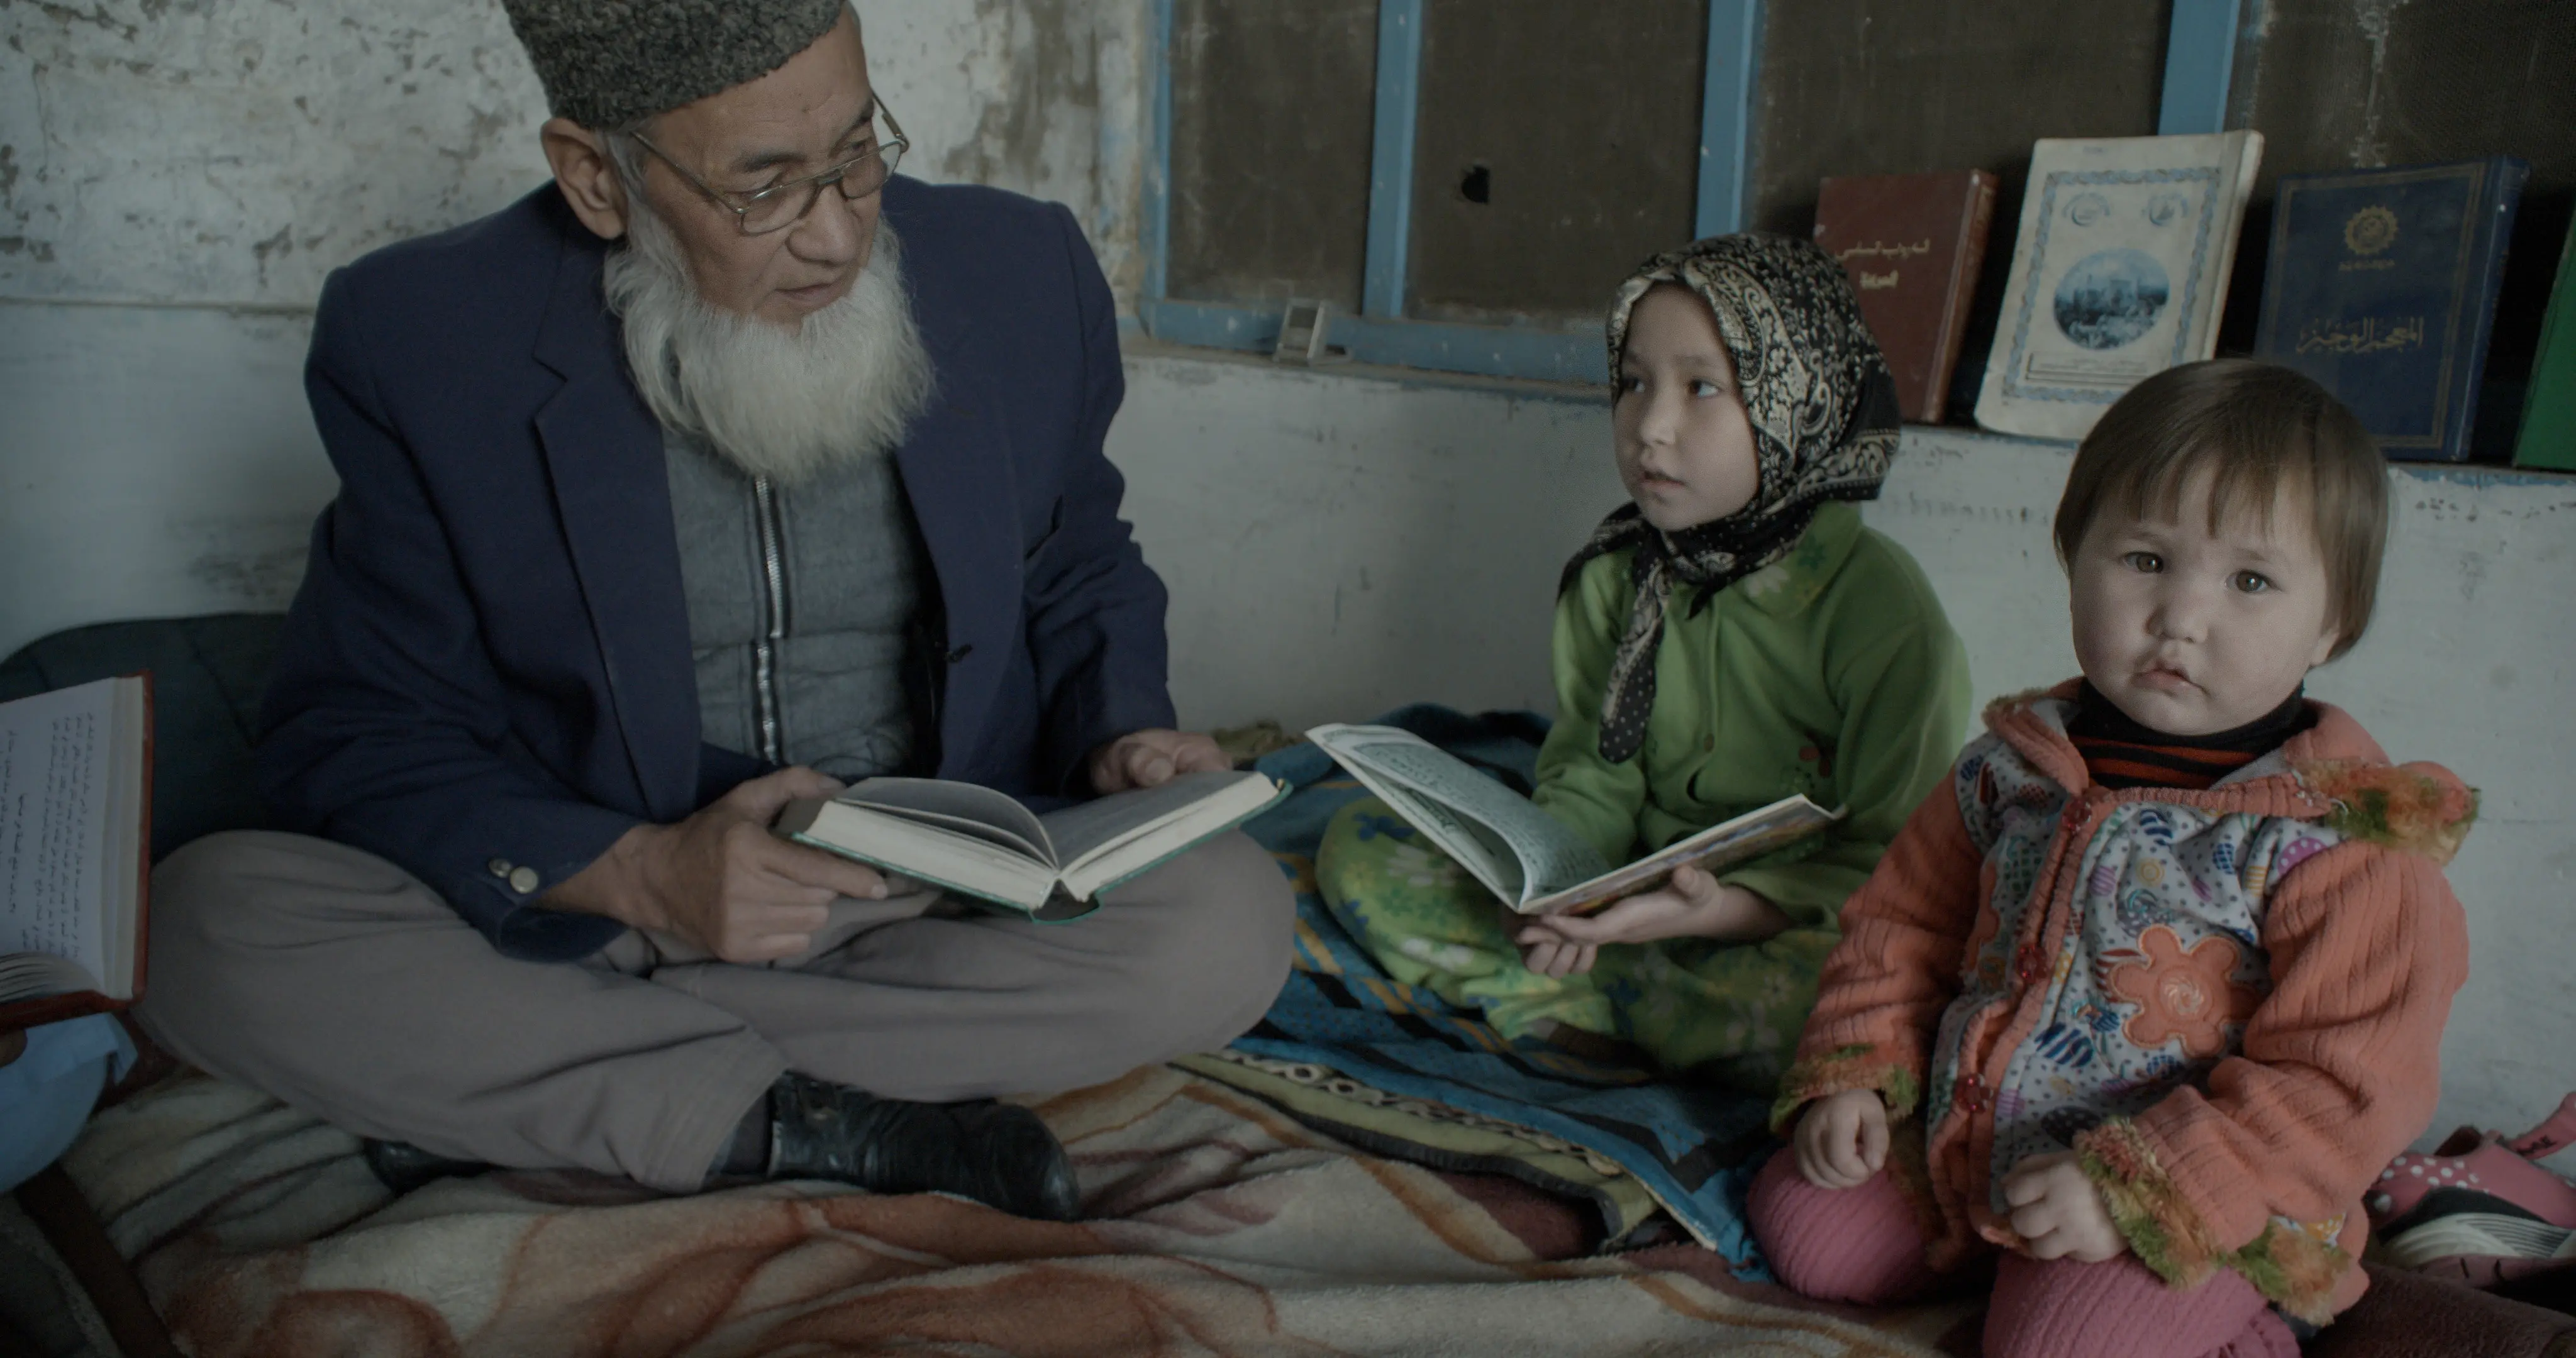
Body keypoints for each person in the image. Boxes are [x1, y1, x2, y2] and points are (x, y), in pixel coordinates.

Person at [133, 0, 1293, 1221]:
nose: (837, 237)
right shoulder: (423, 336)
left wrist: (1120, 733)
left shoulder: (1019, 271)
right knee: (204, 925)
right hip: (602, 909)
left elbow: (1075, 564)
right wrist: (643, 877)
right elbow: (355, 733)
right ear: (596, 179)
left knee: (1228, 922)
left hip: (937, 900)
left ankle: (561, 1084)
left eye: (856, 155)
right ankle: (788, 1117)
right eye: (767, 189)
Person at [1753, 360, 2476, 1358]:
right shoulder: (2011, 771)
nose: (2182, 615)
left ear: (2334, 623)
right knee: (1806, 1225)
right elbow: (1901, 926)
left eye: (2251, 581)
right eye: (2143, 559)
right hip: (1978, 1136)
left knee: (2057, 1349)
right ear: (2072, 555)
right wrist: (1858, 1073)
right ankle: (2008, 1243)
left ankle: (2248, 1323)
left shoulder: (2346, 845)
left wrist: (2140, 1191)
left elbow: (2344, 1082)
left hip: (2208, 1188)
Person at [1316, 235, 1972, 1093]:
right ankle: (1593, 1005)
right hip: (1622, 918)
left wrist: (1719, 909)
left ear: (1798, 401)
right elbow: (1595, 772)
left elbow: (1894, 862)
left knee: (1867, 998)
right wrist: (1567, 896)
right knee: (1359, 845)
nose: (1650, 428)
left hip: (1775, 928)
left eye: (1703, 388)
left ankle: (1577, 1005)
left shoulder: (1885, 619)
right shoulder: (1614, 575)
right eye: (1632, 383)